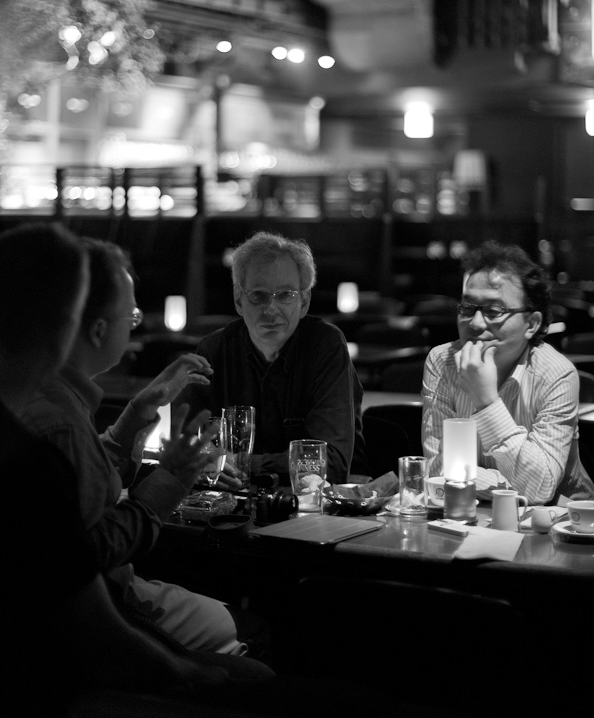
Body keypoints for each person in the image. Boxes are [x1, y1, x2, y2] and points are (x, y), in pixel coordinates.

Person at [18, 236, 263, 661]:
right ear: (98, 331)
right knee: (251, 628)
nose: (135, 323)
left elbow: (80, 488)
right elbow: (86, 555)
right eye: (131, 316)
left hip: (85, 605)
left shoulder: (45, 395)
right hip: (94, 619)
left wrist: (135, 416)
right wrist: (171, 480)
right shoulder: (58, 420)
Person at [180, 231, 369, 489]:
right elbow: (188, 448)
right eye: (258, 295)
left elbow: (330, 464)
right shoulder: (214, 350)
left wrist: (241, 463)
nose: (271, 309)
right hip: (229, 507)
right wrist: (205, 462)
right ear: (238, 300)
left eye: (286, 295)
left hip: (322, 513)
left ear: (304, 302)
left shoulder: (325, 346)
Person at [422, 240, 594, 505]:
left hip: (559, 524)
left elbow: (540, 489)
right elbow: (437, 472)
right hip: (469, 516)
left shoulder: (557, 375)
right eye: (468, 308)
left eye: (494, 311)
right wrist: (511, 485)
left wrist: (486, 402)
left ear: (531, 323)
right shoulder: (442, 361)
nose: (476, 323)